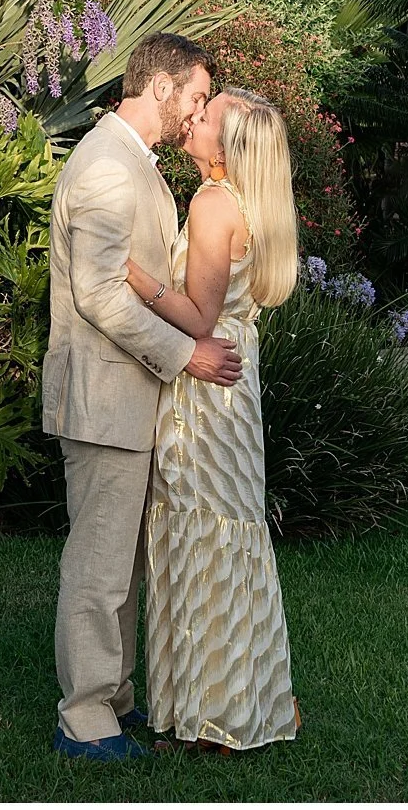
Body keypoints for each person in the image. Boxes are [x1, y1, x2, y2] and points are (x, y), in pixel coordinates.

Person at [42, 33, 241, 763]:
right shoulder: (105, 168)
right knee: (97, 565)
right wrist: (187, 354)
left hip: (129, 397)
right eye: (194, 96)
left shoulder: (134, 164)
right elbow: (98, 295)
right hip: (101, 397)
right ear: (161, 88)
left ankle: (113, 701)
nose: (196, 113)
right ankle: (84, 716)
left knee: (121, 563)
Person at [122, 85, 301, 751]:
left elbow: (197, 319)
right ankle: (248, 697)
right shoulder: (253, 203)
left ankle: (212, 715)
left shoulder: (212, 201)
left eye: (205, 118)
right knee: (230, 536)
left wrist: (135, 276)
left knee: (202, 537)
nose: (191, 122)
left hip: (206, 392)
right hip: (235, 386)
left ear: (225, 149)